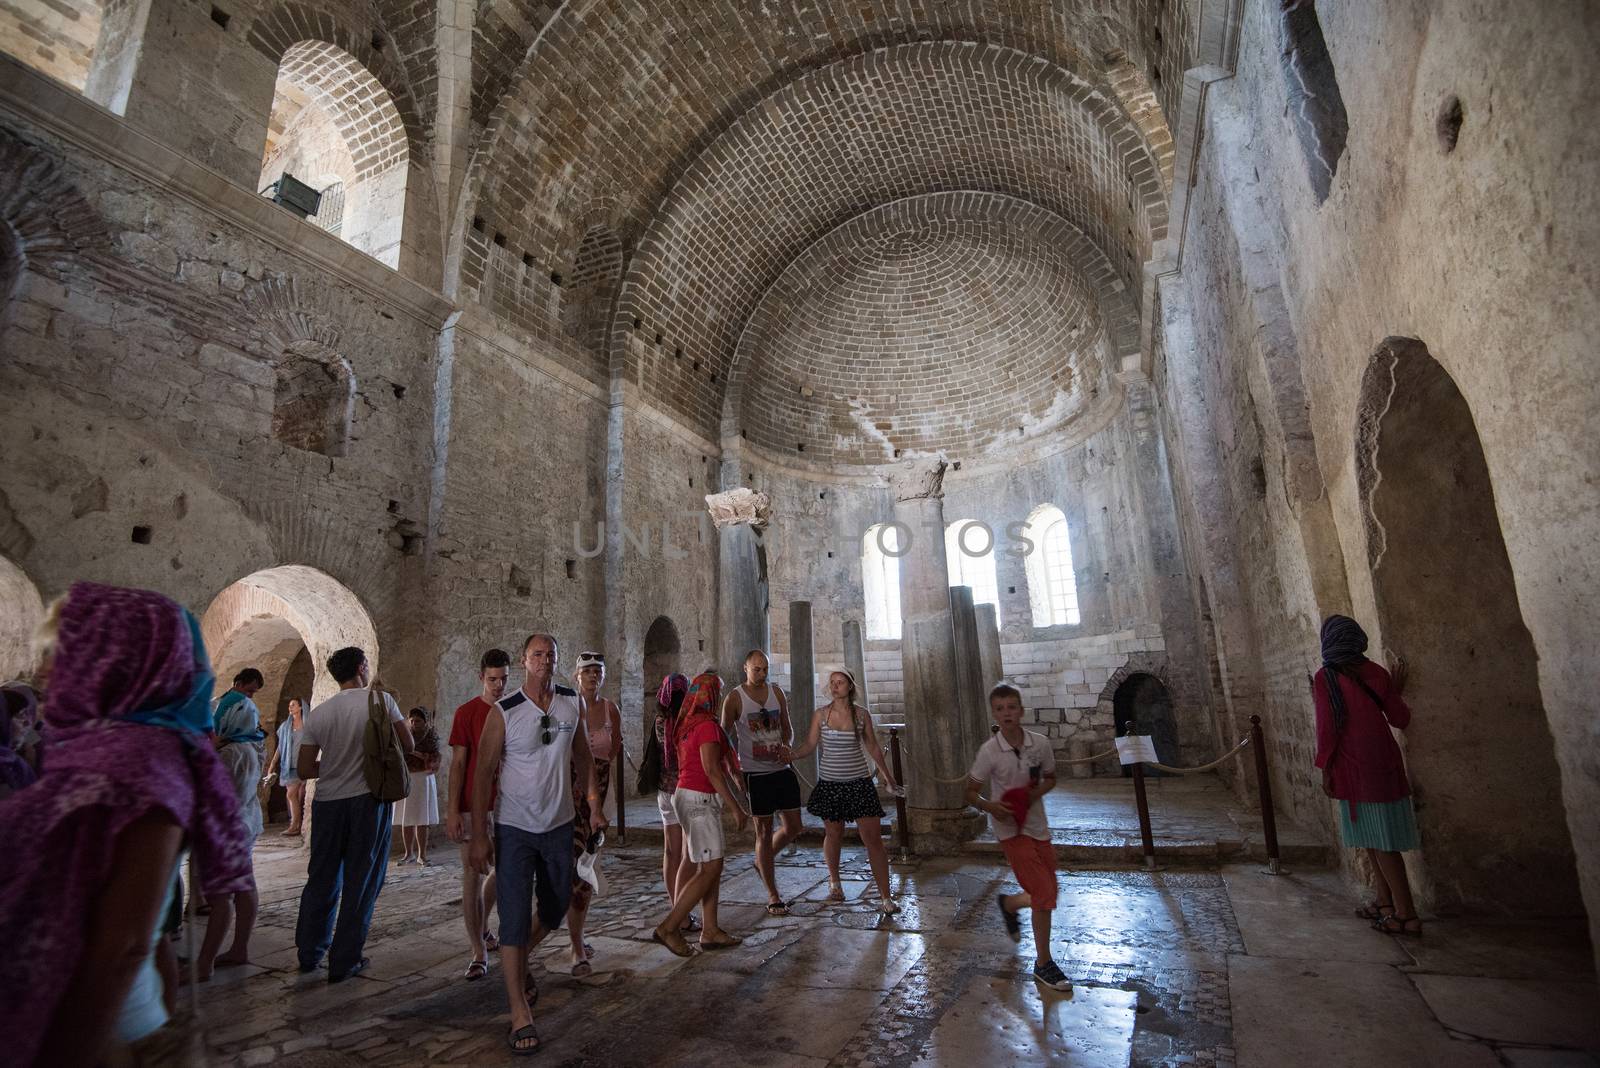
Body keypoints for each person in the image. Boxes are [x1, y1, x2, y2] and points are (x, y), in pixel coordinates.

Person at [0, 582, 252, 1067]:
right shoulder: (94, 751)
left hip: (96, 1031)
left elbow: (125, 945)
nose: (49, 671)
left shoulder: (144, 766)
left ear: (115, 660)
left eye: (63, 653)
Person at [470, 634, 606, 1056]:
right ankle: (519, 1013)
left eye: (551, 656)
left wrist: (594, 804)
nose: (545, 662)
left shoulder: (571, 702)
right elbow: (483, 773)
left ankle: (520, 959)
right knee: (512, 915)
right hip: (514, 828)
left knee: (553, 907)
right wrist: (479, 834)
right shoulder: (505, 710)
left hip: (559, 824)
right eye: (537, 656)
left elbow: (583, 757)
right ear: (525, 662)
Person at [294, 646, 415, 982]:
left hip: (328, 802)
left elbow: (304, 768)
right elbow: (408, 746)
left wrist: (335, 764)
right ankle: (345, 959)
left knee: (321, 877)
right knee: (362, 879)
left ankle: (309, 953)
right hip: (367, 800)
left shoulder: (319, 713)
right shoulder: (381, 702)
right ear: (362, 667)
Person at [1312, 614, 1420, 936]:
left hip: (1353, 765)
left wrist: (1325, 767)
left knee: (1382, 843)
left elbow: (1327, 730)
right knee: (1373, 838)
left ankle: (1406, 914)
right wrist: (1393, 691)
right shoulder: (1376, 672)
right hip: (1385, 761)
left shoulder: (1326, 677)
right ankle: (1383, 902)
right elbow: (1400, 718)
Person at [965, 682, 1072, 992]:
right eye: (1000, 709)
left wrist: (1031, 795)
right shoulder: (989, 751)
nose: (1006, 713)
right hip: (1010, 830)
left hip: (1037, 824)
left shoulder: (1039, 744)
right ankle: (1043, 963)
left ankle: (1010, 904)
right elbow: (970, 791)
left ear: (1021, 710)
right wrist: (990, 807)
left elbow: (1050, 778)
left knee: (1047, 890)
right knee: (1044, 891)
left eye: (1011, 707)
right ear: (994, 714)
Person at [651, 672, 751, 957]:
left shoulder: (686, 724)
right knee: (709, 869)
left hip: (688, 796)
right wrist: (735, 805)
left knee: (711, 867)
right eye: (716, 692)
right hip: (699, 801)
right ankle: (669, 926)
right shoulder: (706, 726)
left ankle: (710, 929)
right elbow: (711, 769)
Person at [786, 669, 898, 912]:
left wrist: (888, 778)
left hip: (859, 783)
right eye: (833, 682)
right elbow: (810, 745)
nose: (835, 686)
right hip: (831, 784)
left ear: (850, 686)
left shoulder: (861, 715)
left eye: (840, 682)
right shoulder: (821, 715)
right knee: (833, 833)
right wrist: (790, 755)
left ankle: (886, 897)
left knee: (873, 840)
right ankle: (835, 882)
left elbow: (874, 748)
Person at [195, 674, 268, 978]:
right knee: (245, 886)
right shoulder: (253, 746)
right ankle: (240, 948)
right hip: (246, 822)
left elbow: (211, 791)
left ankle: (204, 964)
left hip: (227, 828)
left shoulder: (228, 753)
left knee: (221, 895)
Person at [721, 650, 803, 916]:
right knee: (764, 832)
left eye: (765, 669)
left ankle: (761, 860)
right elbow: (724, 737)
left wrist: (787, 746)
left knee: (794, 826)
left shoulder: (776, 693)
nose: (762, 674)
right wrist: (735, 769)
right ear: (745, 668)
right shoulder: (735, 698)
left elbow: (788, 728)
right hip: (755, 774)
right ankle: (773, 894)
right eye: (757, 669)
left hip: (781, 769)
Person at [447, 648, 509, 981]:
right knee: (471, 874)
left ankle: (484, 924)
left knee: (505, 868)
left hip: (508, 803)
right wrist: (453, 809)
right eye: (492, 679)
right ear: (481, 677)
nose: (498, 686)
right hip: (474, 804)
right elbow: (458, 764)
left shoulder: (512, 711)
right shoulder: (467, 713)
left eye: (503, 679)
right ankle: (477, 950)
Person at [567, 650, 621, 976]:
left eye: (598, 671)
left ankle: (578, 938)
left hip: (600, 790)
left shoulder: (610, 708)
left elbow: (613, 747)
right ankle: (575, 941)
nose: (592, 676)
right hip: (571, 794)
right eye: (587, 671)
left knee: (586, 866)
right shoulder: (570, 706)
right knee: (571, 867)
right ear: (577, 675)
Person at [653, 673, 699, 931]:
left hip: (664, 792)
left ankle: (676, 907)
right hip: (684, 790)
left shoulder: (660, 720)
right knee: (688, 854)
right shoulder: (687, 721)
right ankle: (681, 913)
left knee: (671, 852)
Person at [397, 706, 442, 864]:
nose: (414, 723)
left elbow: (435, 756)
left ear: (425, 722)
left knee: (422, 818)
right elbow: (399, 751)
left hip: (423, 778)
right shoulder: (404, 735)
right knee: (406, 818)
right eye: (412, 720)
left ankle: (421, 855)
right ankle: (408, 853)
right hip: (408, 777)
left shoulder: (431, 736)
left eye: (418, 720)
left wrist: (424, 757)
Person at [263, 696, 309, 835]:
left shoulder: (308, 725)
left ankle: (296, 825)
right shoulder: (285, 726)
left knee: (297, 795)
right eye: (289, 705)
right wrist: (272, 763)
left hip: (304, 764)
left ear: (301, 707)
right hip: (289, 765)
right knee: (291, 795)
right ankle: (295, 825)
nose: (290, 707)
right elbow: (280, 747)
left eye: (293, 705)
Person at [0, 680, 38, 798]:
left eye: (27, 713)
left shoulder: (33, 737)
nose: (26, 722)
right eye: (20, 715)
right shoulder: (10, 768)